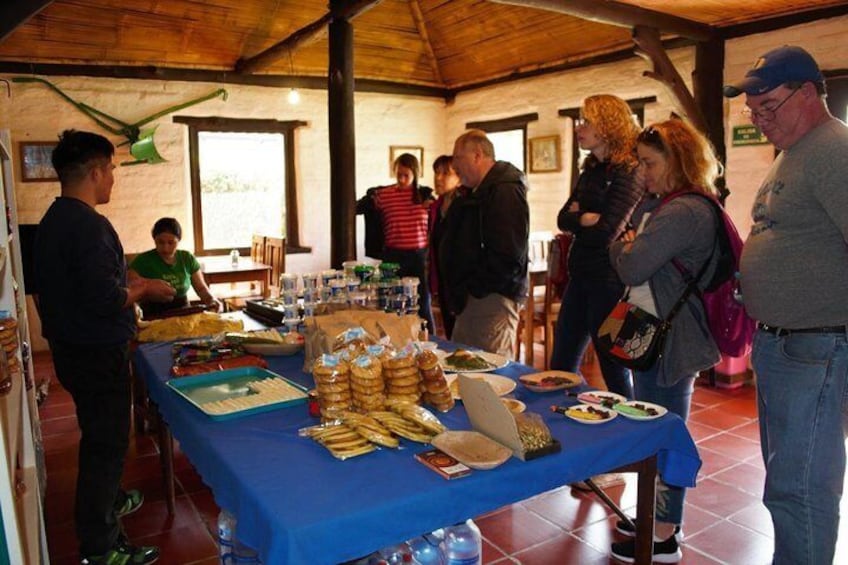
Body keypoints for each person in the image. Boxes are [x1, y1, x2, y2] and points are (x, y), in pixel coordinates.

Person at [724, 45, 848, 565]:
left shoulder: (834, 151)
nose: (759, 119)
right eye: (752, 111)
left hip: (814, 346)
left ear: (807, 94)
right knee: (785, 482)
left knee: (800, 490)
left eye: (768, 106)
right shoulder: (798, 151)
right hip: (785, 344)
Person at [33, 130, 175, 565]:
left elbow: (73, 289)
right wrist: (144, 287)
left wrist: (124, 286)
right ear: (95, 172)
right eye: (111, 170)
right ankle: (101, 546)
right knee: (105, 446)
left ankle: (111, 500)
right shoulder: (90, 225)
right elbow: (105, 298)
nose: (113, 178)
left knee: (98, 435)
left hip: (71, 348)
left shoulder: (51, 221)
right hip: (96, 353)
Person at [607, 119, 722, 563]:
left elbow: (631, 265)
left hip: (671, 338)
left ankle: (665, 535)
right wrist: (631, 247)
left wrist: (623, 246)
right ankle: (652, 516)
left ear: (678, 161)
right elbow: (635, 255)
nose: (643, 172)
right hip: (655, 330)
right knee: (653, 425)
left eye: (650, 163)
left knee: (667, 431)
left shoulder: (683, 211)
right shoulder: (672, 205)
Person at [550, 94, 644, 398]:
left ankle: (632, 437)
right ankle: (564, 423)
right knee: (561, 365)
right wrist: (584, 219)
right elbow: (563, 219)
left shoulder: (629, 170)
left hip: (610, 281)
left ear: (608, 125)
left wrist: (583, 218)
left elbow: (607, 232)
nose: (579, 127)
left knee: (614, 368)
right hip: (581, 277)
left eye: (586, 121)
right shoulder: (590, 169)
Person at [441, 129, 529, 357]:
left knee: (490, 370)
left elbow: (509, 254)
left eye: (457, 158)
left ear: (477, 155)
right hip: (475, 298)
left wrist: (475, 287)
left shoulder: (504, 191)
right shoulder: (477, 192)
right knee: (464, 366)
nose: (454, 167)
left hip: (491, 297)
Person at [358, 153, 436, 333]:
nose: (401, 179)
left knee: (422, 301)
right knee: (389, 300)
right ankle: (391, 337)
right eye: (398, 174)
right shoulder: (385, 196)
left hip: (419, 256)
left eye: (406, 175)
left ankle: (429, 339)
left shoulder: (424, 197)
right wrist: (369, 198)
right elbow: (359, 208)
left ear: (415, 174)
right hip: (393, 255)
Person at [129, 217, 220, 318]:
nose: (165, 248)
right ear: (154, 240)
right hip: (153, 315)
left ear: (179, 240)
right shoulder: (142, 261)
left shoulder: (187, 258)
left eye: (171, 242)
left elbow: (201, 289)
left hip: (184, 313)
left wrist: (211, 299)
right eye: (160, 242)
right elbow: (130, 290)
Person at [428, 155, 465, 339]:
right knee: (450, 334)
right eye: (437, 173)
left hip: (460, 284)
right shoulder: (437, 207)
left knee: (462, 337)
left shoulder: (465, 205)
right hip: (444, 282)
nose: (439, 178)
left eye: (445, 173)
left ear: (459, 177)